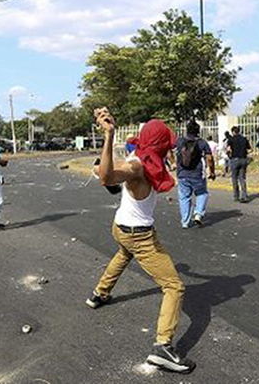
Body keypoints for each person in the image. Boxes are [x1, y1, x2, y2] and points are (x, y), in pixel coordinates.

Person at [85, 108, 194, 374]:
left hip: (121, 227)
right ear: (158, 144)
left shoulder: (143, 157)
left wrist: (113, 136)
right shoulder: (137, 165)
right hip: (138, 234)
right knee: (174, 286)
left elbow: (115, 167)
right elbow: (108, 177)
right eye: (167, 144)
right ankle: (162, 347)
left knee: (123, 255)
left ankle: (99, 293)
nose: (170, 149)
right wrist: (109, 136)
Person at [175, 121, 215, 229]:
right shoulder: (202, 142)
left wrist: (171, 163)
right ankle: (198, 214)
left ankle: (185, 222)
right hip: (197, 174)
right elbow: (210, 158)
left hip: (182, 174)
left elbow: (169, 151)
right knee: (202, 193)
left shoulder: (180, 141)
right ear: (198, 131)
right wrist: (212, 171)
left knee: (184, 197)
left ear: (186, 130)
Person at [229, 126, 251, 203]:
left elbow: (228, 149)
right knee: (242, 178)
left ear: (233, 132)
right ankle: (244, 195)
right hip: (243, 159)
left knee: (234, 178)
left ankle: (236, 196)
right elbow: (249, 149)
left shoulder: (231, 139)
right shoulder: (244, 139)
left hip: (235, 159)